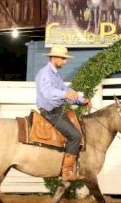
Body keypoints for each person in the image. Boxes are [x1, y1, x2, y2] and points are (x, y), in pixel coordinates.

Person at [36, 45, 92, 181]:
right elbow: (48, 92)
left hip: (57, 110)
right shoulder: (45, 73)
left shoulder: (55, 74)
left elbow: (66, 90)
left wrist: (81, 100)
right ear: (54, 57)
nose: (65, 62)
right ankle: (66, 171)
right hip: (50, 112)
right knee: (75, 136)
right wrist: (66, 93)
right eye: (63, 58)